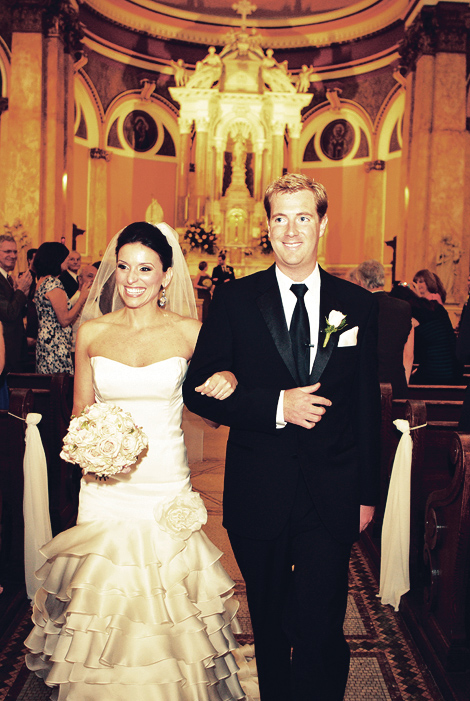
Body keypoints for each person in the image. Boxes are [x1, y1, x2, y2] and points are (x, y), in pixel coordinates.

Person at [25, 222, 252, 700]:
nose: (133, 279)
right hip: (106, 487)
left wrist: (228, 376)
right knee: (103, 592)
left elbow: (219, 397)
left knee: (166, 594)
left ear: (166, 275)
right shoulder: (90, 331)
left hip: (164, 480)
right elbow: (80, 413)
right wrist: (90, 449)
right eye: (124, 267)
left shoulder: (191, 332)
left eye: (146, 268)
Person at [183, 173, 381, 701]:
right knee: (269, 626)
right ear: (266, 226)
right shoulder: (232, 301)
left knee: (319, 625)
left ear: (322, 224)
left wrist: (367, 494)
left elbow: (366, 406)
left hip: (331, 492)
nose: (290, 230)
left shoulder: (357, 306)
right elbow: (197, 393)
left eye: (302, 217)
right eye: (279, 218)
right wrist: (275, 405)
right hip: (258, 490)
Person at [356, 259, 413, 398]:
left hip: (365, 386)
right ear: (383, 279)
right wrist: (403, 384)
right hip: (396, 383)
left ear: (361, 282)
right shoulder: (404, 307)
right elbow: (408, 354)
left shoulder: (357, 308)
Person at [33, 243, 91, 374]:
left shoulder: (41, 281)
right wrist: (82, 298)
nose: (67, 260)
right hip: (56, 344)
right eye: (66, 257)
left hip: (45, 341)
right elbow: (64, 320)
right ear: (56, 259)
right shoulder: (53, 283)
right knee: (60, 386)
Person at [0, 234, 32, 380]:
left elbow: (19, 311)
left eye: (15, 252)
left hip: (15, 350)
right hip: (5, 351)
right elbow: (9, 313)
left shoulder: (7, 278)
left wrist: (22, 292)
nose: (12, 256)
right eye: (7, 252)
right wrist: (21, 290)